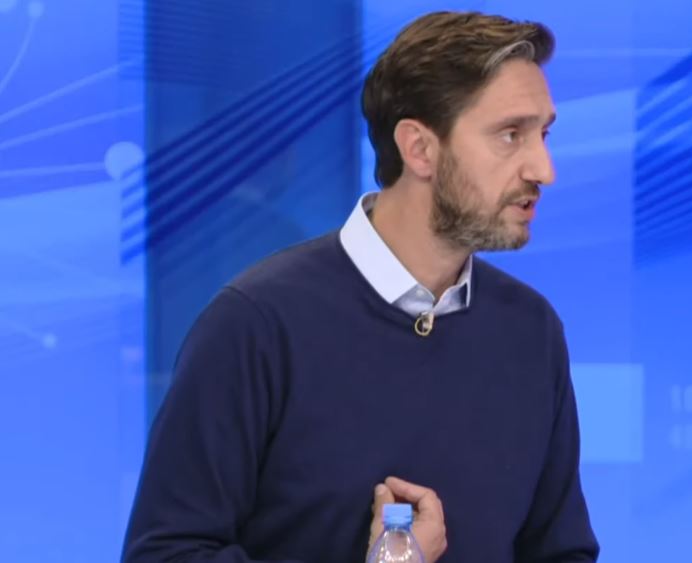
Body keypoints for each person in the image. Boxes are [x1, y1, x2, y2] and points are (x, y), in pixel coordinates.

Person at [123, 10, 599, 563]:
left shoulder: (531, 331)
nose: (543, 168)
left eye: (543, 134)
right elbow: (167, 553)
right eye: (510, 135)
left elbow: (561, 553)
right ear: (419, 149)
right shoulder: (257, 324)